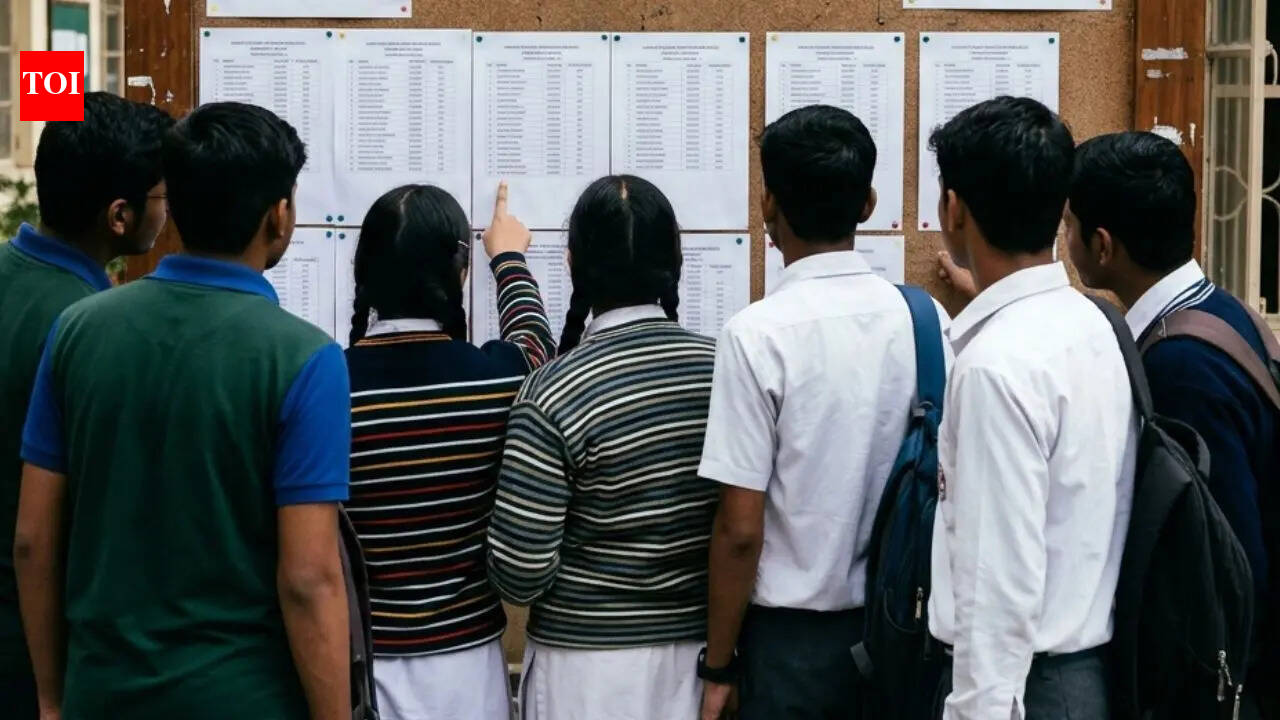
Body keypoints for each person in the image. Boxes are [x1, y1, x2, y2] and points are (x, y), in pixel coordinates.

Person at [14, 102, 351, 720]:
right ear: (279, 215)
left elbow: (33, 540)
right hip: (241, 697)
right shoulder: (306, 359)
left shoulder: (77, 330)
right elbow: (308, 579)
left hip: (100, 691)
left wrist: (51, 697)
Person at [698, 104, 951, 720]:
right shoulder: (927, 321)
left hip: (793, 649)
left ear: (767, 205)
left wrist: (720, 666)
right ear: (868, 203)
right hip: (907, 631)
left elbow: (739, 531)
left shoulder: (756, 335)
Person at [925, 96, 1137, 720]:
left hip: (1021, 690)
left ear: (953, 209)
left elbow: (998, 581)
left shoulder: (996, 365)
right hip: (1075, 674)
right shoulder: (1093, 322)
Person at [487, 175, 718, 720]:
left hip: (582, 673)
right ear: (676, 260)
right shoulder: (726, 369)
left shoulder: (553, 391)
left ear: (572, 263)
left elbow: (519, 572)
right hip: (701, 663)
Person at [1064, 131, 1277, 718]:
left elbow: (1224, 560)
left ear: (1102, 245)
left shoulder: (1180, 366)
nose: (1064, 237)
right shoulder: (1220, 310)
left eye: (1069, 223)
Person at [343, 181, 555, 720]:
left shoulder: (328, 384)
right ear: (459, 274)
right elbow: (537, 347)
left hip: (364, 665)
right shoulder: (496, 377)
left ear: (363, 274)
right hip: (470, 668)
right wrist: (508, 260)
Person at [0, 92, 171, 719]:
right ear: (120, 216)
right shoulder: (91, 329)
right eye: (163, 195)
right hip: (40, 646)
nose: (170, 209)